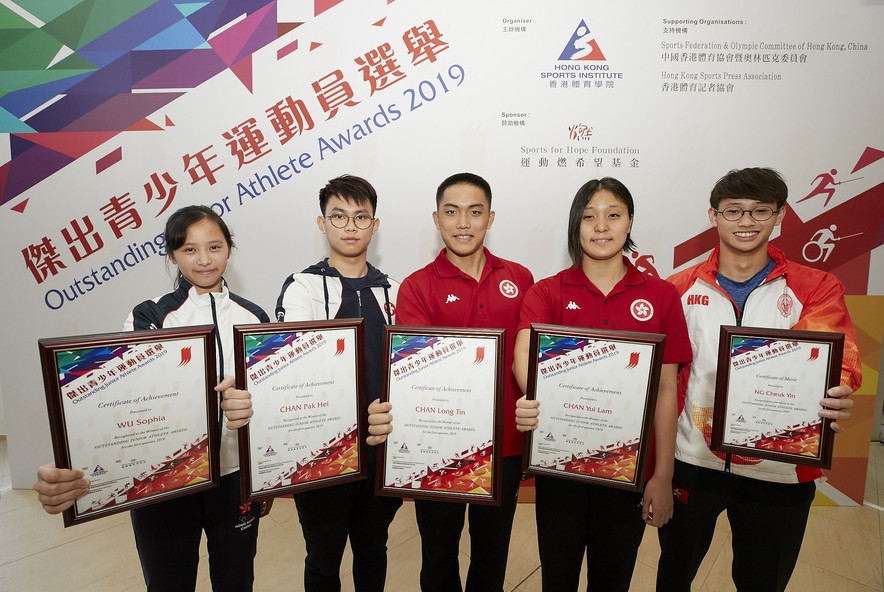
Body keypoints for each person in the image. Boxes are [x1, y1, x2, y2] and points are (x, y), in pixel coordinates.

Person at [34, 205, 270, 592]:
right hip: (164, 479)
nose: (205, 259)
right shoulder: (148, 316)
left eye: (215, 246)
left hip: (233, 477)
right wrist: (75, 460)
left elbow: (270, 397)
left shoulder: (254, 316)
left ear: (229, 249)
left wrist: (264, 478)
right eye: (190, 250)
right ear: (172, 254)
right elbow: (123, 403)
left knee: (237, 579)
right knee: (167, 582)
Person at [655, 167, 862, 592]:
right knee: (674, 576)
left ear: (780, 215)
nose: (746, 222)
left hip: (781, 471)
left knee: (763, 582)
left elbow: (836, 358)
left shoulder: (818, 286)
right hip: (695, 461)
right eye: (733, 211)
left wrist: (832, 391)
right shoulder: (676, 288)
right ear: (713, 217)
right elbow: (659, 378)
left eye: (759, 211)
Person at [223, 175, 402, 592]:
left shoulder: (394, 289)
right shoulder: (302, 286)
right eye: (339, 216)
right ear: (322, 224)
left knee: (374, 551)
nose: (351, 226)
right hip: (320, 453)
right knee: (323, 558)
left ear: (375, 225)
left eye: (361, 217)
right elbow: (288, 365)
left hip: (380, 449)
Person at [512, 177, 692, 591]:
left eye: (614, 215)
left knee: (613, 578)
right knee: (557, 577)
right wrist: (536, 393)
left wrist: (661, 475)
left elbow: (667, 390)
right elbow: (524, 353)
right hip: (560, 466)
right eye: (589, 217)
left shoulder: (661, 296)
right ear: (576, 226)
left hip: (627, 469)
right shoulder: (548, 291)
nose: (601, 226)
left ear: (629, 223)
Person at [367, 172, 534, 592]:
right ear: (437, 219)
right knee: (438, 556)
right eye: (452, 211)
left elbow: (529, 359)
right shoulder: (417, 287)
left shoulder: (522, 278)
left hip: (506, 444)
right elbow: (418, 372)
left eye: (475, 212)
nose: (464, 222)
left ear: (490, 217)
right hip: (436, 443)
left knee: (492, 555)